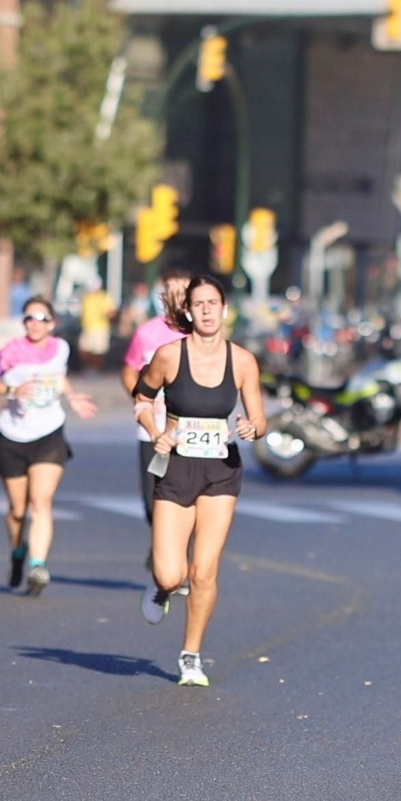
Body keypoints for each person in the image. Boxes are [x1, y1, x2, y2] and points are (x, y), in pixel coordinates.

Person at [132, 274, 267, 688]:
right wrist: (158, 434)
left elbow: (260, 418)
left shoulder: (242, 361)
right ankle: (160, 590)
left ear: (225, 309)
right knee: (171, 574)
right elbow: (141, 398)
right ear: (188, 311)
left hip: (220, 471)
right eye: (199, 304)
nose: (207, 311)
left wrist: (252, 428)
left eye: (214, 303)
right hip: (175, 468)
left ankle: (191, 656)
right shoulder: (169, 356)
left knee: (204, 571)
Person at [0, 296, 96, 595]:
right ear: (23, 323)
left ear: (52, 324)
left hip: (49, 433)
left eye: (42, 318)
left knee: (41, 502)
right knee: (18, 510)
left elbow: (60, 379)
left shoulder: (61, 349)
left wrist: (72, 397)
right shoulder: (10, 352)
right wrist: (12, 389)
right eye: (30, 318)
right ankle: (18, 551)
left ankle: (37, 565)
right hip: (13, 436)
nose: (35, 324)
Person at [121, 269, 192, 529]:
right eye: (171, 291)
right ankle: (161, 545)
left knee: (186, 500)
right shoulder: (147, 332)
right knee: (154, 500)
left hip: (191, 434)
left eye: (183, 291)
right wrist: (142, 402)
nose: (177, 298)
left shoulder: (201, 333)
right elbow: (129, 370)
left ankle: (174, 552)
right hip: (154, 432)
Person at [78, 281, 114, 371]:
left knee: (98, 351)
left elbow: (110, 312)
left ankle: (96, 368)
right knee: (84, 349)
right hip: (87, 327)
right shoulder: (86, 297)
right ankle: (89, 366)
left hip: (100, 327)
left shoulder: (103, 297)